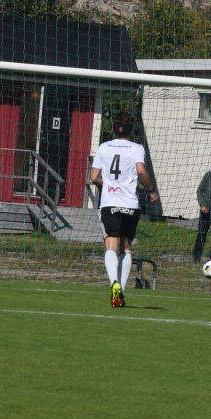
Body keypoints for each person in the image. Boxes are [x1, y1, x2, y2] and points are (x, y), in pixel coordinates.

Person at [90, 111, 159, 308]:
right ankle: (121, 291)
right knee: (126, 247)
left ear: (114, 129)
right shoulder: (137, 148)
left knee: (110, 246)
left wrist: (108, 186)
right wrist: (151, 189)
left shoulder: (104, 147)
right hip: (130, 205)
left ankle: (114, 284)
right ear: (131, 130)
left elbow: (94, 177)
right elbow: (140, 171)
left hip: (110, 204)